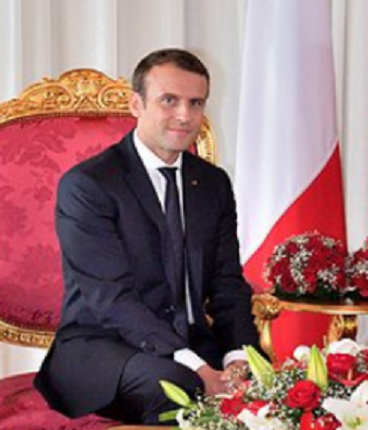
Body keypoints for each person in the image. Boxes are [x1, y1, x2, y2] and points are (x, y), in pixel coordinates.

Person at [34, 48, 260, 424]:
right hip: (103, 348)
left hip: (193, 343)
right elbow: (111, 298)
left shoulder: (212, 183)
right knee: (176, 386)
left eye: (196, 102)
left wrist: (238, 356)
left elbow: (227, 283)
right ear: (136, 104)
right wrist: (199, 369)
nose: (185, 115)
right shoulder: (89, 185)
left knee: (266, 380)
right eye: (169, 100)